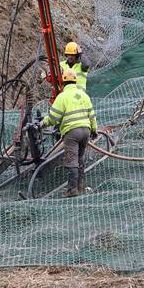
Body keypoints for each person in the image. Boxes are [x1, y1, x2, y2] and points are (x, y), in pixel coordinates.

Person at [44, 67, 98, 198]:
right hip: (85, 131)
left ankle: (72, 190)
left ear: (63, 82)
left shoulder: (62, 97)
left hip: (72, 133)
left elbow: (53, 118)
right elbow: (92, 115)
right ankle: (80, 185)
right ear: (75, 81)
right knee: (80, 158)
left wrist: (44, 123)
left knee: (71, 161)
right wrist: (94, 130)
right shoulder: (84, 95)